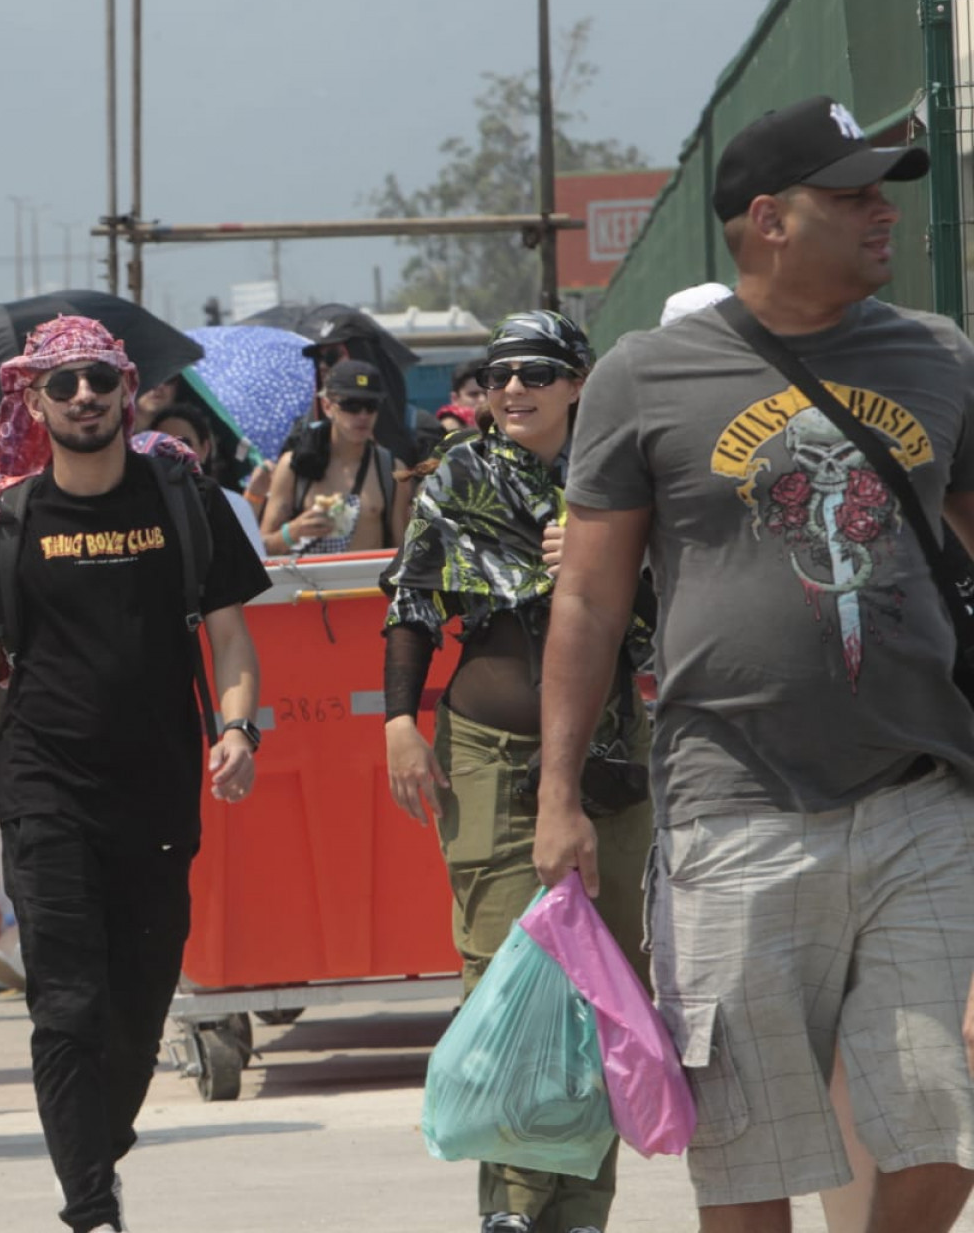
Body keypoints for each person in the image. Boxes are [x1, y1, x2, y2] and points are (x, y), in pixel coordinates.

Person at [537, 95, 974, 1232]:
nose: (885, 214)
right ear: (769, 220)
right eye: (854, 195)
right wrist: (558, 793)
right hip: (730, 806)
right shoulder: (646, 375)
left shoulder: (938, 357)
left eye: (885, 191)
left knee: (948, 1113)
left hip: (921, 793)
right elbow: (586, 595)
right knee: (745, 1150)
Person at [0, 315, 270, 1233]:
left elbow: (231, 634)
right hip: (44, 790)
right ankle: (90, 1206)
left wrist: (238, 727)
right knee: (66, 1004)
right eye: (63, 384)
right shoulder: (3, 521)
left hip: (159, 788)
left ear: (127, 389)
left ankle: (93, 1141)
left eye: (98, 380)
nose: (83, 396)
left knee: (139, 997)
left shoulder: (184, 502)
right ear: (35, 402)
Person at [381, 312, 652, 1233]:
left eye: (535, 371)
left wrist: (615, 557)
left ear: (579, 381)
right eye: (498, 375)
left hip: (610, 762)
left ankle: (578, 1209)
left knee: (607, 984)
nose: (512, 389)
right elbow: (413, 597)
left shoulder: (622, 476)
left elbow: (681, 604)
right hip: (488, 756)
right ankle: (511, 1205)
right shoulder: (460, 476)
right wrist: (397, 723)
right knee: (503, 978)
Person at [260, 358, 411, 556]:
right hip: (307, 585)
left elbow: (404, 551)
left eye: (371, 405)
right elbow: (263, 548)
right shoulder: (293, 467)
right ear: (327, 406)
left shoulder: (392, 471)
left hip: (367, 586)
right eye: (351, 405)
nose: (363, 416)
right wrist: (292, 533)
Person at [148, 403, 263, 556]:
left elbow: (256, 567)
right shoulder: (142, 505)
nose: (174, 452)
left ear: (204, 449)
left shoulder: (233, 505)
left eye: (184, 443)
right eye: (164, 445)